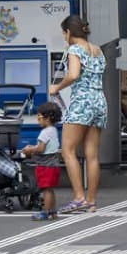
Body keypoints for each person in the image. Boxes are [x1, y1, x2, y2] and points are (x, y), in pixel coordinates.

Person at [48, 15, 106, 214]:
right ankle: (91, 201)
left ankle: (79, 197)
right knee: (92, 155)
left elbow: (73, 74)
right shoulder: (97, 50)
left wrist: (57, 87)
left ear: (69, 32)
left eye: (64, 33)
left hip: (82, 102)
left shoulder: (74, 49)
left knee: (68, 150)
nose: (64, 37)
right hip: (99, 101)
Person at [21, 102, 63, 221]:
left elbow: (41, 149)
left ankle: (45, 212)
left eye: (39, 116)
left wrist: (30, 149)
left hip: (46, 165)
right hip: (54, 164)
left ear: (48, 118)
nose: (38, 119)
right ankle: (53, 212)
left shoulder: (45, 132)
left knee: (46, 190)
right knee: (50, 189)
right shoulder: (53, 130)